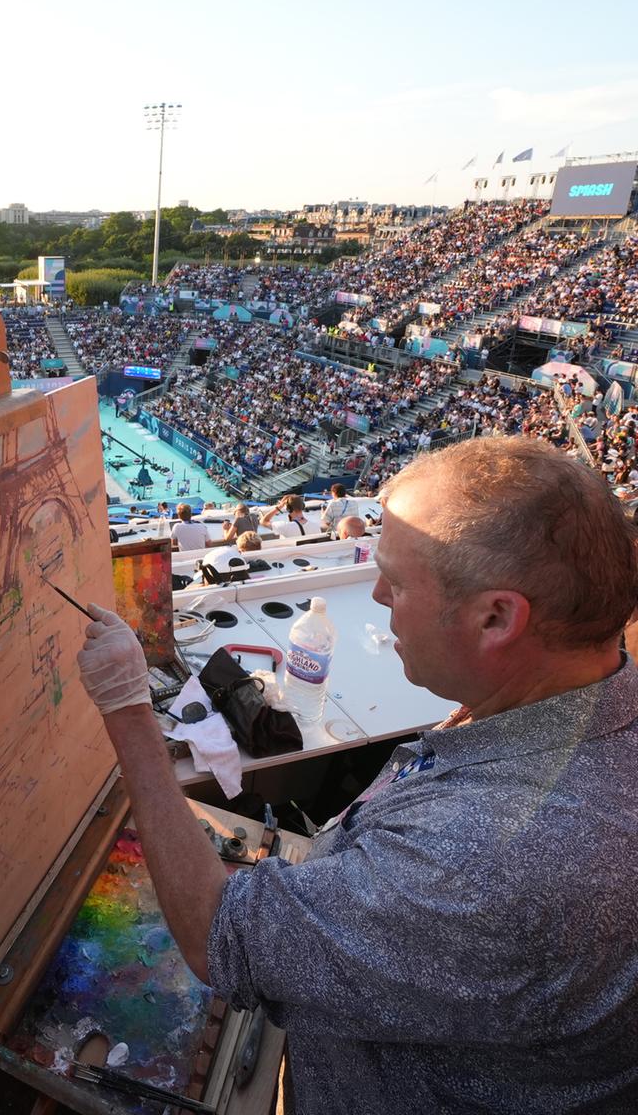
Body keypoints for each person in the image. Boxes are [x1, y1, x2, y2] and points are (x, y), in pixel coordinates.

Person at [75, 436, 638, 1112]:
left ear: (497, 617)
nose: (374, 595)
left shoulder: (481, 863)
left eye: (397, 582)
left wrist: (128, 708)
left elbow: (214, 935)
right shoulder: (579, 702)